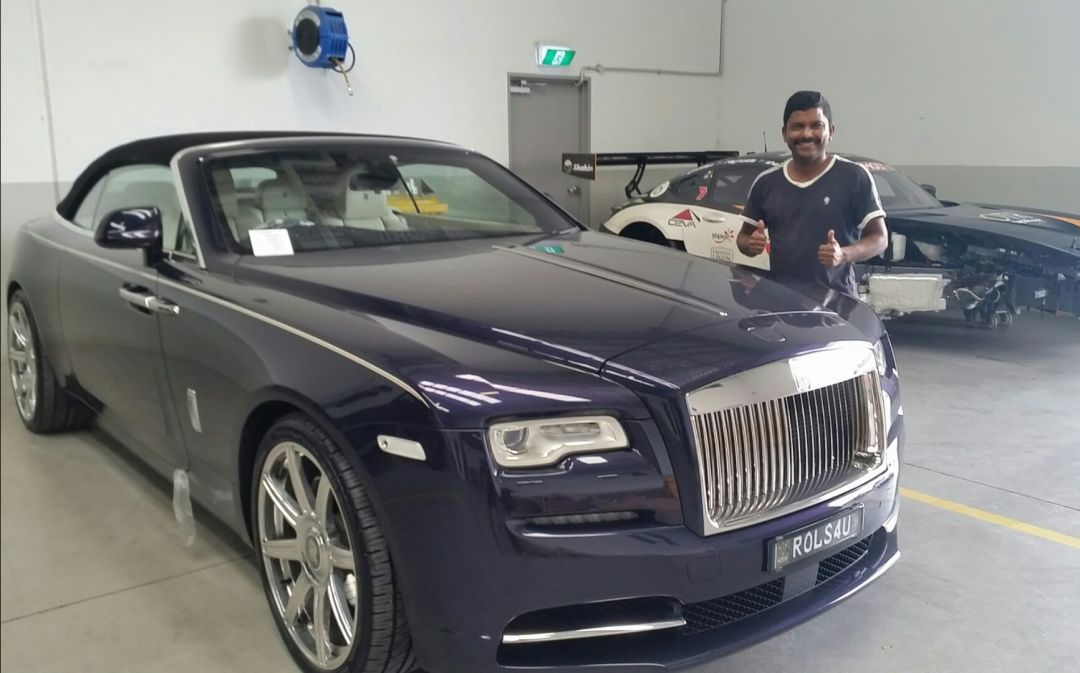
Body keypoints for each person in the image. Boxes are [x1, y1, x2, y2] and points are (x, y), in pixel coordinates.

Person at [736, 91, 887, 297]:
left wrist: (843, 254)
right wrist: (751, 244)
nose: (807, 134)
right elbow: (743, 239)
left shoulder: (854, 177)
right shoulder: (766, 182)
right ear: (784, 133)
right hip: (781, 302)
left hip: (837, 304)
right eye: (797, 126)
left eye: (817, 125)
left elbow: (880, 238)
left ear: (831, 131)